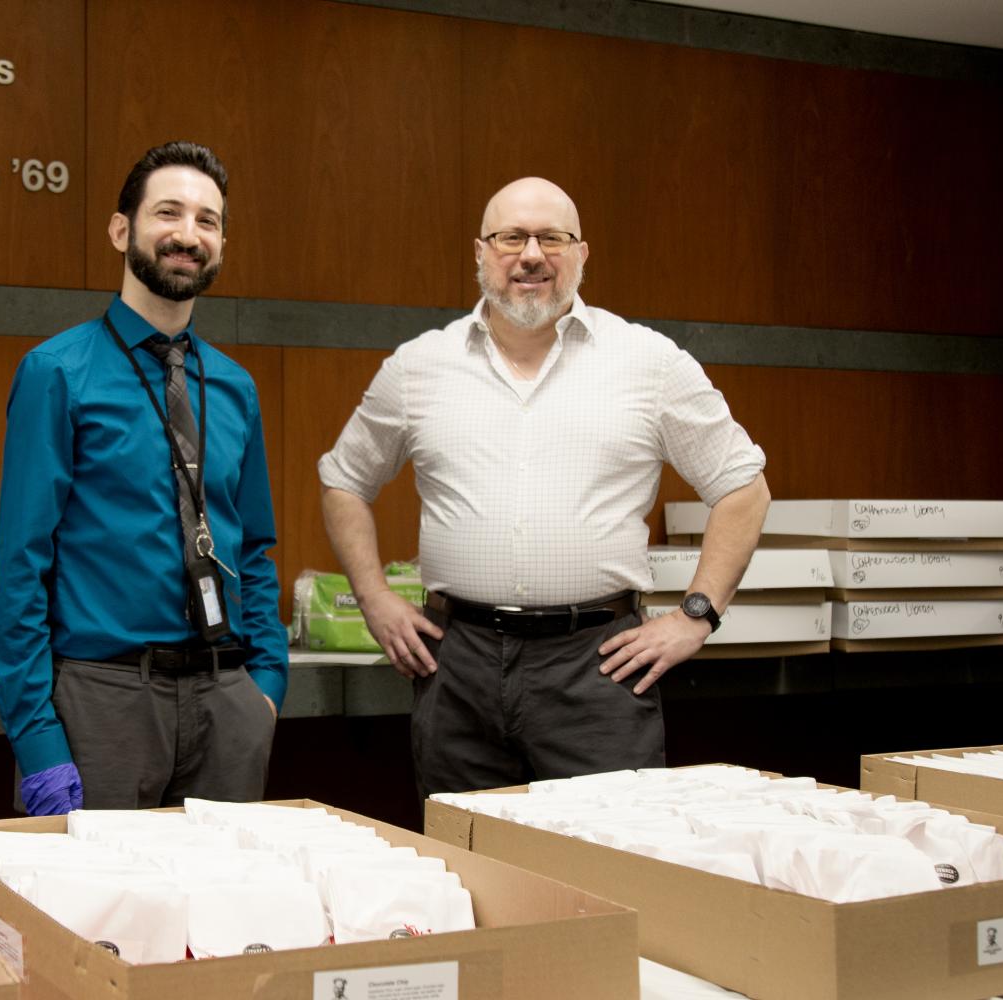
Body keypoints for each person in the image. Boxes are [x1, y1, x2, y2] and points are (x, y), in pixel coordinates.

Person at [318, 177, 770, 795]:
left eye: (551, 238)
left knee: (606, 866)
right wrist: (372, 596)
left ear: (582, 253)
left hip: (599, 669)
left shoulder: (648, 362)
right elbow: (344, 480)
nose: (531, 255)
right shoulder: (418, 367)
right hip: (456, 666)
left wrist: (697, 615)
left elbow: (742, 487)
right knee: (469, 862)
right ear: (480, 252)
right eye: (511, 238)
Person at [0, 141, 286, 816]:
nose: (188, 235)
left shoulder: (234, 387)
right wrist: (37, 742)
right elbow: (21, 566)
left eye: (207, 221)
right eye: (169, 213)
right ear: (122, 230)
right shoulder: (57, 373)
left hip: (226, 701)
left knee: (224, 918)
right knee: (95, 921)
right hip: (104, 703)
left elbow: (256, 548)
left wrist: (265, 686)